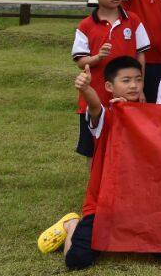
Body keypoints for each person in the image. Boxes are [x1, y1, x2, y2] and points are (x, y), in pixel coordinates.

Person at [36, 56, 144, 269]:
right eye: (126, 80)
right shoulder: (106, 115)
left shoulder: (150, 114)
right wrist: (86, 89)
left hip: (139, 204)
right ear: (109, 86)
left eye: (138, 80)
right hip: (103, 204)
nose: (133, 85)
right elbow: (95, 106)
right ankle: (72, 223)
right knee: (76, 261)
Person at [71, 0, 149, 159]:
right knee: (93, 149)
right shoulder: (86, 26)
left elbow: (141, 55)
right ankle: (95, 187)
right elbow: (81, 62)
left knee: (127, 147)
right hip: (94, 97)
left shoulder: (133, 20)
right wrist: (98, 57)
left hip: (127, 98)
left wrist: (140, 87)